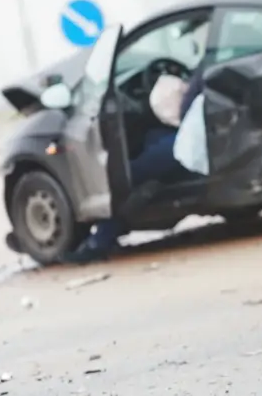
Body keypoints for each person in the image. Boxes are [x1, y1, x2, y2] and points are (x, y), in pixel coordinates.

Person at [62, 70, 202, 264]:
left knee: (125, 177)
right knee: (150, 137)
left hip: (190, 141)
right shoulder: (213, 64)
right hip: (191, 133)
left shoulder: (209, 69)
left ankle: (99, 242)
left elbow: (186, 109)